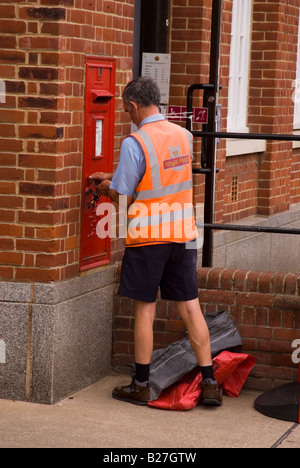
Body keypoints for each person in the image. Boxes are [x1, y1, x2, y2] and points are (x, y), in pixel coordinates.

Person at [89, 77, 222, 407]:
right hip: (183, 234)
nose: (126, 115)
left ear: (134, 105)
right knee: (191, 307)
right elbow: (160, 175)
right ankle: (209, 383)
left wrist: (105, 187)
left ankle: (141, 384)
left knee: (145, 311)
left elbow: (124, 194)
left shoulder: (136, 141)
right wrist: (114, 176)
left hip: (149, 237)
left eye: (125, 110)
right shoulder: (183, 135)